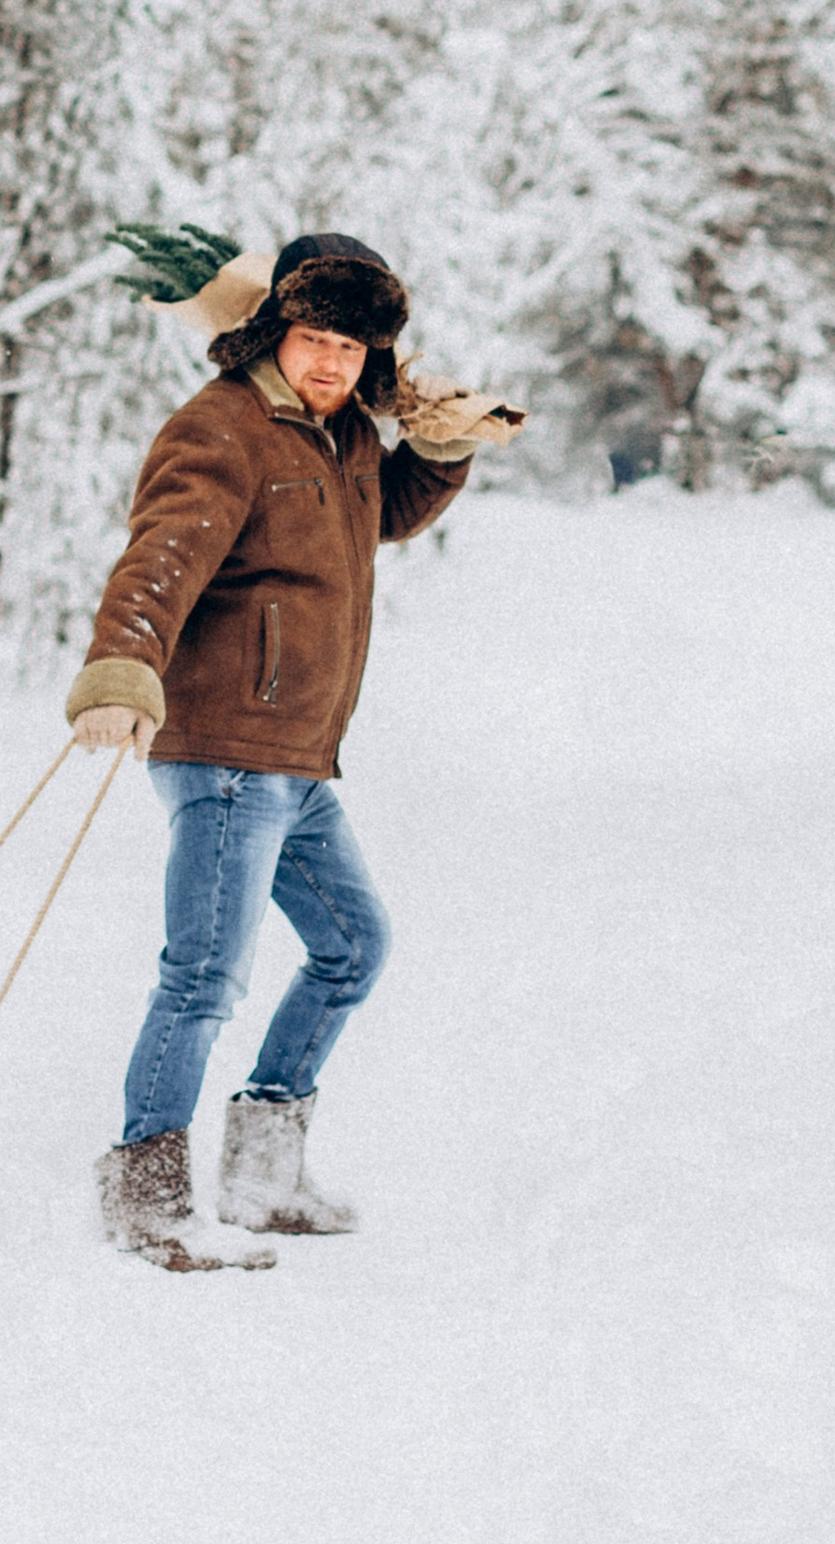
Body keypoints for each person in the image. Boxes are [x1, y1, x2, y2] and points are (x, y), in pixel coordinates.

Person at [66, 230, 519, 1268]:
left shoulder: (344, 436)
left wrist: (439, 449)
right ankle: (148, 1196)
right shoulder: (224, 428)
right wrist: (122, 665)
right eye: (314, 338)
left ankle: (262, 1177)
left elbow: (377, 518)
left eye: (352, 349)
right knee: (203, 979)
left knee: (352, 946)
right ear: (275, 330)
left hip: (297, 759)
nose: (330, 363)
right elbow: (161, 556)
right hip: (228, 750)